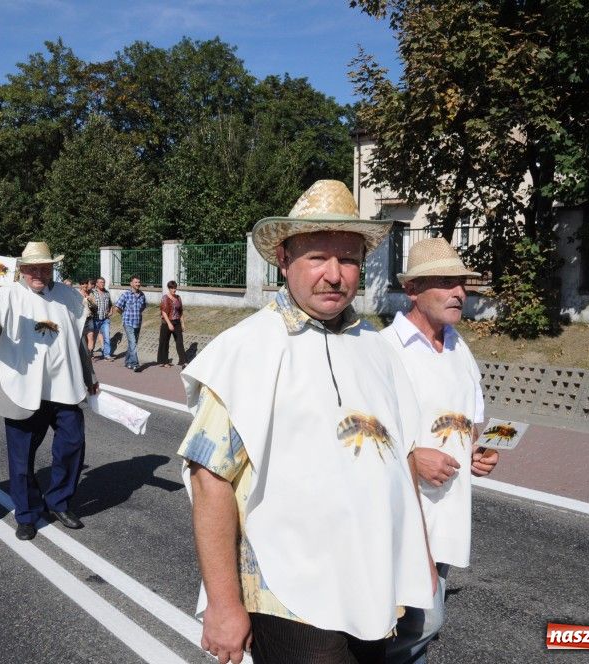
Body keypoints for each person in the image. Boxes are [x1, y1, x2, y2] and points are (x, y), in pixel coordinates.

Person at [178, 180, 436, 664]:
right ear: (283, 260)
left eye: (349, 259)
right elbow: (209, 480)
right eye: (318, 257)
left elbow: (402, 464)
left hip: (373, 580)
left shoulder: (378, 348)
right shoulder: (246, 350)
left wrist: (416, 559)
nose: (335, 275)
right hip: (289, 594)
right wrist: (224, 604)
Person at [381, 238, 499, 663]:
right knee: (420, 622)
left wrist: (480, 452)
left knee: (418, 625)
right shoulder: (385, 350)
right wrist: (412, 459)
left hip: (447, 510)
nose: (459, 293)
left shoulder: (457, 347)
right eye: (446, 283)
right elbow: (362, 438)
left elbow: (472, 418)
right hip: (404, 514)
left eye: (462, 284)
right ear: (413, 290)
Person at [0, 241, 99, 538]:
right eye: (33, 268)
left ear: (52, 267)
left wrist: (89, 373)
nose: (39, 273)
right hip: (20, 387)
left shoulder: (68, 295)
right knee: (21, 459)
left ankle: (58, 500)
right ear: (22, 269)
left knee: (72, 445)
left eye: (45, 267)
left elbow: (77, 339)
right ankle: (27, 514)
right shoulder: (6, 294)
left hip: (63, 385)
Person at [113, 275, 146, 372]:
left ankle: (128, 362)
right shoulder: (126, 295)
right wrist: (123, 314)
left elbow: (143, 306)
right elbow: (117, 307)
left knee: (133, 343)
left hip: (137, 322)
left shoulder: (142, 295)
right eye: (136, 282)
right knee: (133, 343)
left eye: (139, 282)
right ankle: (135, 364)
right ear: (131, 283)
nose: (138, 284)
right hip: (128, 322)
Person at [157, 280, 186, 367]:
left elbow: (180, 311)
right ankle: (164, 361)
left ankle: (182, 361)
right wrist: (169, 324)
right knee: (164, 342)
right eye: (172, 288)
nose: (174, 290)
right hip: (167, 322)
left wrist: (183, 323)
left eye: (175, 288)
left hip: (177, 322)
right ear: (169, 288)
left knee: (179, 341)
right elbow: (164, 312)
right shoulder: (165, 298)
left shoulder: (178, 298)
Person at [90, 277, 113, 361]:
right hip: (95, 319)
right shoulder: (92, 292)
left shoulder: (107, 293)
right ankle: (90, 352)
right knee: (93, 337)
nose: (102, 284)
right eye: (100, 282)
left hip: (105, 319)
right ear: (96, 284)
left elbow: (110, 304)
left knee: (106, 337)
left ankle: (107, 355)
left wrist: (111, 311)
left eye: (103, 282)